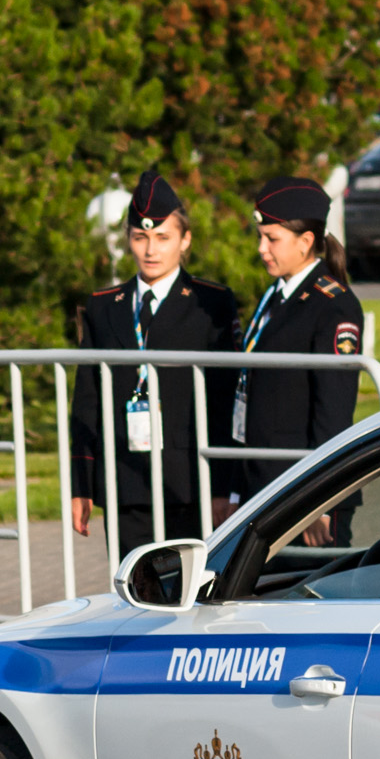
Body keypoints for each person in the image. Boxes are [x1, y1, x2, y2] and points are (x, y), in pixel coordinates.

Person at [70, 170, 240, 558]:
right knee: (133, 592)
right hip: (125, 479)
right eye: (140, 237)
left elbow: (224, 400)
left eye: (163, 237)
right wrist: (82, 483)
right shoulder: (104, 306)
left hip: (189, 482)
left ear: (185, 241)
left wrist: (221, 487)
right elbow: (86, 400)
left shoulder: (210, 303)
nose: (151, 249)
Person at [223, 176, 366, 543]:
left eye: (272, 239)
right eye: (260, 237)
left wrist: (322, 501)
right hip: (266, 487)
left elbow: (332, 413)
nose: (261, 248)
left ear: (305, 242)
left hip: (304, 495)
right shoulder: (276, 295)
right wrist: (236, 490)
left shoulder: (333, 305)